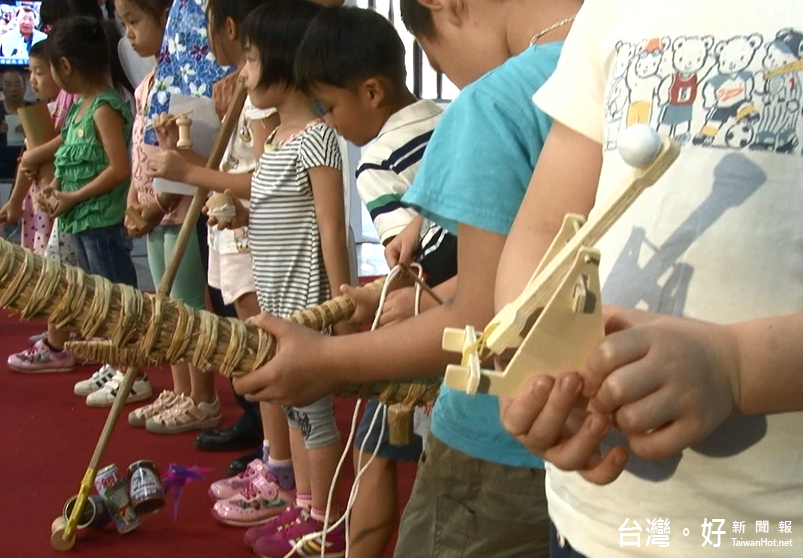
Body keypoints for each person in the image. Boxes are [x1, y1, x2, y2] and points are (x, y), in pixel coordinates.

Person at [227, 0, 580, 556]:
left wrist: (327, 362)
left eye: (432, 50)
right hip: (602, 437)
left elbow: (484, 316)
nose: (446, 74)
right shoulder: (638, 64)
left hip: (500, 436)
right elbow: (543, 273)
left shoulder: (492, 106)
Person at [492, 1, 803, 557]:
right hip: (596, 522)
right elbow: (546, 225)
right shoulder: (613, 9)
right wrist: (526, 354)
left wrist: (738, 366)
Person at [289, 6, 456, 558]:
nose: (328, 121)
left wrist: (382, 301)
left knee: (373, 454)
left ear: (372, 92)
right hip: (480, 316)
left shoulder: (377, 162)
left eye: (329, 106)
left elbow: (413, 259)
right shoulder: (453, 118)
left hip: (429, 323)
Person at [208, 1, 354, 554]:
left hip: (308, 303)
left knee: (314, 415)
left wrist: (342, 308)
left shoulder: (318, 138)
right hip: (273, 298)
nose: (242, 74)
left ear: (284, 64)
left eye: (249, 60)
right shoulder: (272, 142)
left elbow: (330, 227)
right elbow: (274, 210)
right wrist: (237, 212)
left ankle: (326, 524)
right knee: (293, 407)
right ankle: (302, 509)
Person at [145, 0, 296, 493]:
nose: (238, 69)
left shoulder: (264, 102)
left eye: (248, 59)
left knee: (263, 355)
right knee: (251, 353)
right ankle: (273, 456)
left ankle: (280, 465)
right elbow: (227, 173)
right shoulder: (239, 95)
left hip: (254, 246)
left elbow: (258, 181)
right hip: (232, 241)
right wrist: (183, 156)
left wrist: (187, 171)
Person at [112, 0, 224, 432]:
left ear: (169, 19)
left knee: (189, 304)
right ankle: (180, 390)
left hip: (175, 203)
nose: (130, 33)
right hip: (149, 205)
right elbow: (137, 149)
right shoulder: (148, 83)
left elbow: (188, 148)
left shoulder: (188, 80)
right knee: (165, 306)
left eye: (136, 21)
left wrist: (155, 206)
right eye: (124, 24)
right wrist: (132, 202)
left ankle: (203, 395)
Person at [7, 15, 135, 377]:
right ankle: (115, 363)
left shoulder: (105, 107)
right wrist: (54, 191)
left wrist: (73, 196)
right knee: (97, 298)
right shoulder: (80, 107)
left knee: (117, 301)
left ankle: (129, 371)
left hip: (103, 223)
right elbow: (66, 159)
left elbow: (118, 168)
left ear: (64, 66)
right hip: (80, 220)